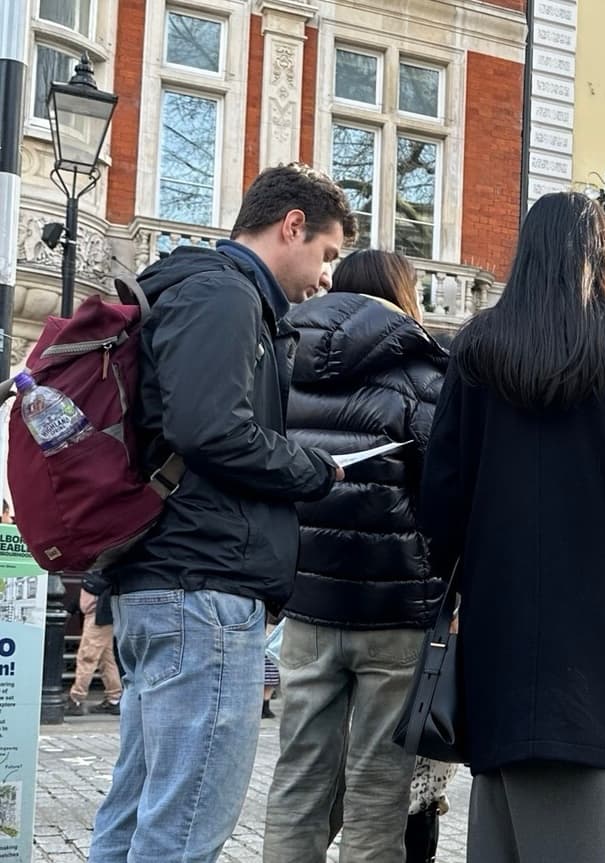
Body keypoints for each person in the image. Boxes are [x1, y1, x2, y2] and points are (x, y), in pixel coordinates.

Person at [85, 163, 353, 863]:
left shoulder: (199, 289)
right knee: (184, 826)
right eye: (326, 254)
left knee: (140, 811)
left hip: (168, 580)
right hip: (200, 590)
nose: (326, 277)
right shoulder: (224, 295)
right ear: (291, 224)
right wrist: (311, 470)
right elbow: (212, 429)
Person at [420, 192, 605, 863]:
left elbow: (441, 492)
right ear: (598, 253)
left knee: (502, 824)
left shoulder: (478, 346)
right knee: (594, 822)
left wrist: (467, 565)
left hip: (500, 619)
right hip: (601, 628)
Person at [263, 248, 449, 861]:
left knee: (298, 781)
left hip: (309, 604)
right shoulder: (423, 374)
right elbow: (447, 495)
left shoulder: (286, 359)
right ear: (403, 292)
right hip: (396, 609)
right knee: (378, 790)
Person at [66, 585, 121, 716]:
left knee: (87, 657)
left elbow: (92, 585)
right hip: (104, 615)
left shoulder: (98, 571)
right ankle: (114, 698)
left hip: (97, 616)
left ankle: (76, 699)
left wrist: (71, 608)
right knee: (106, 660)